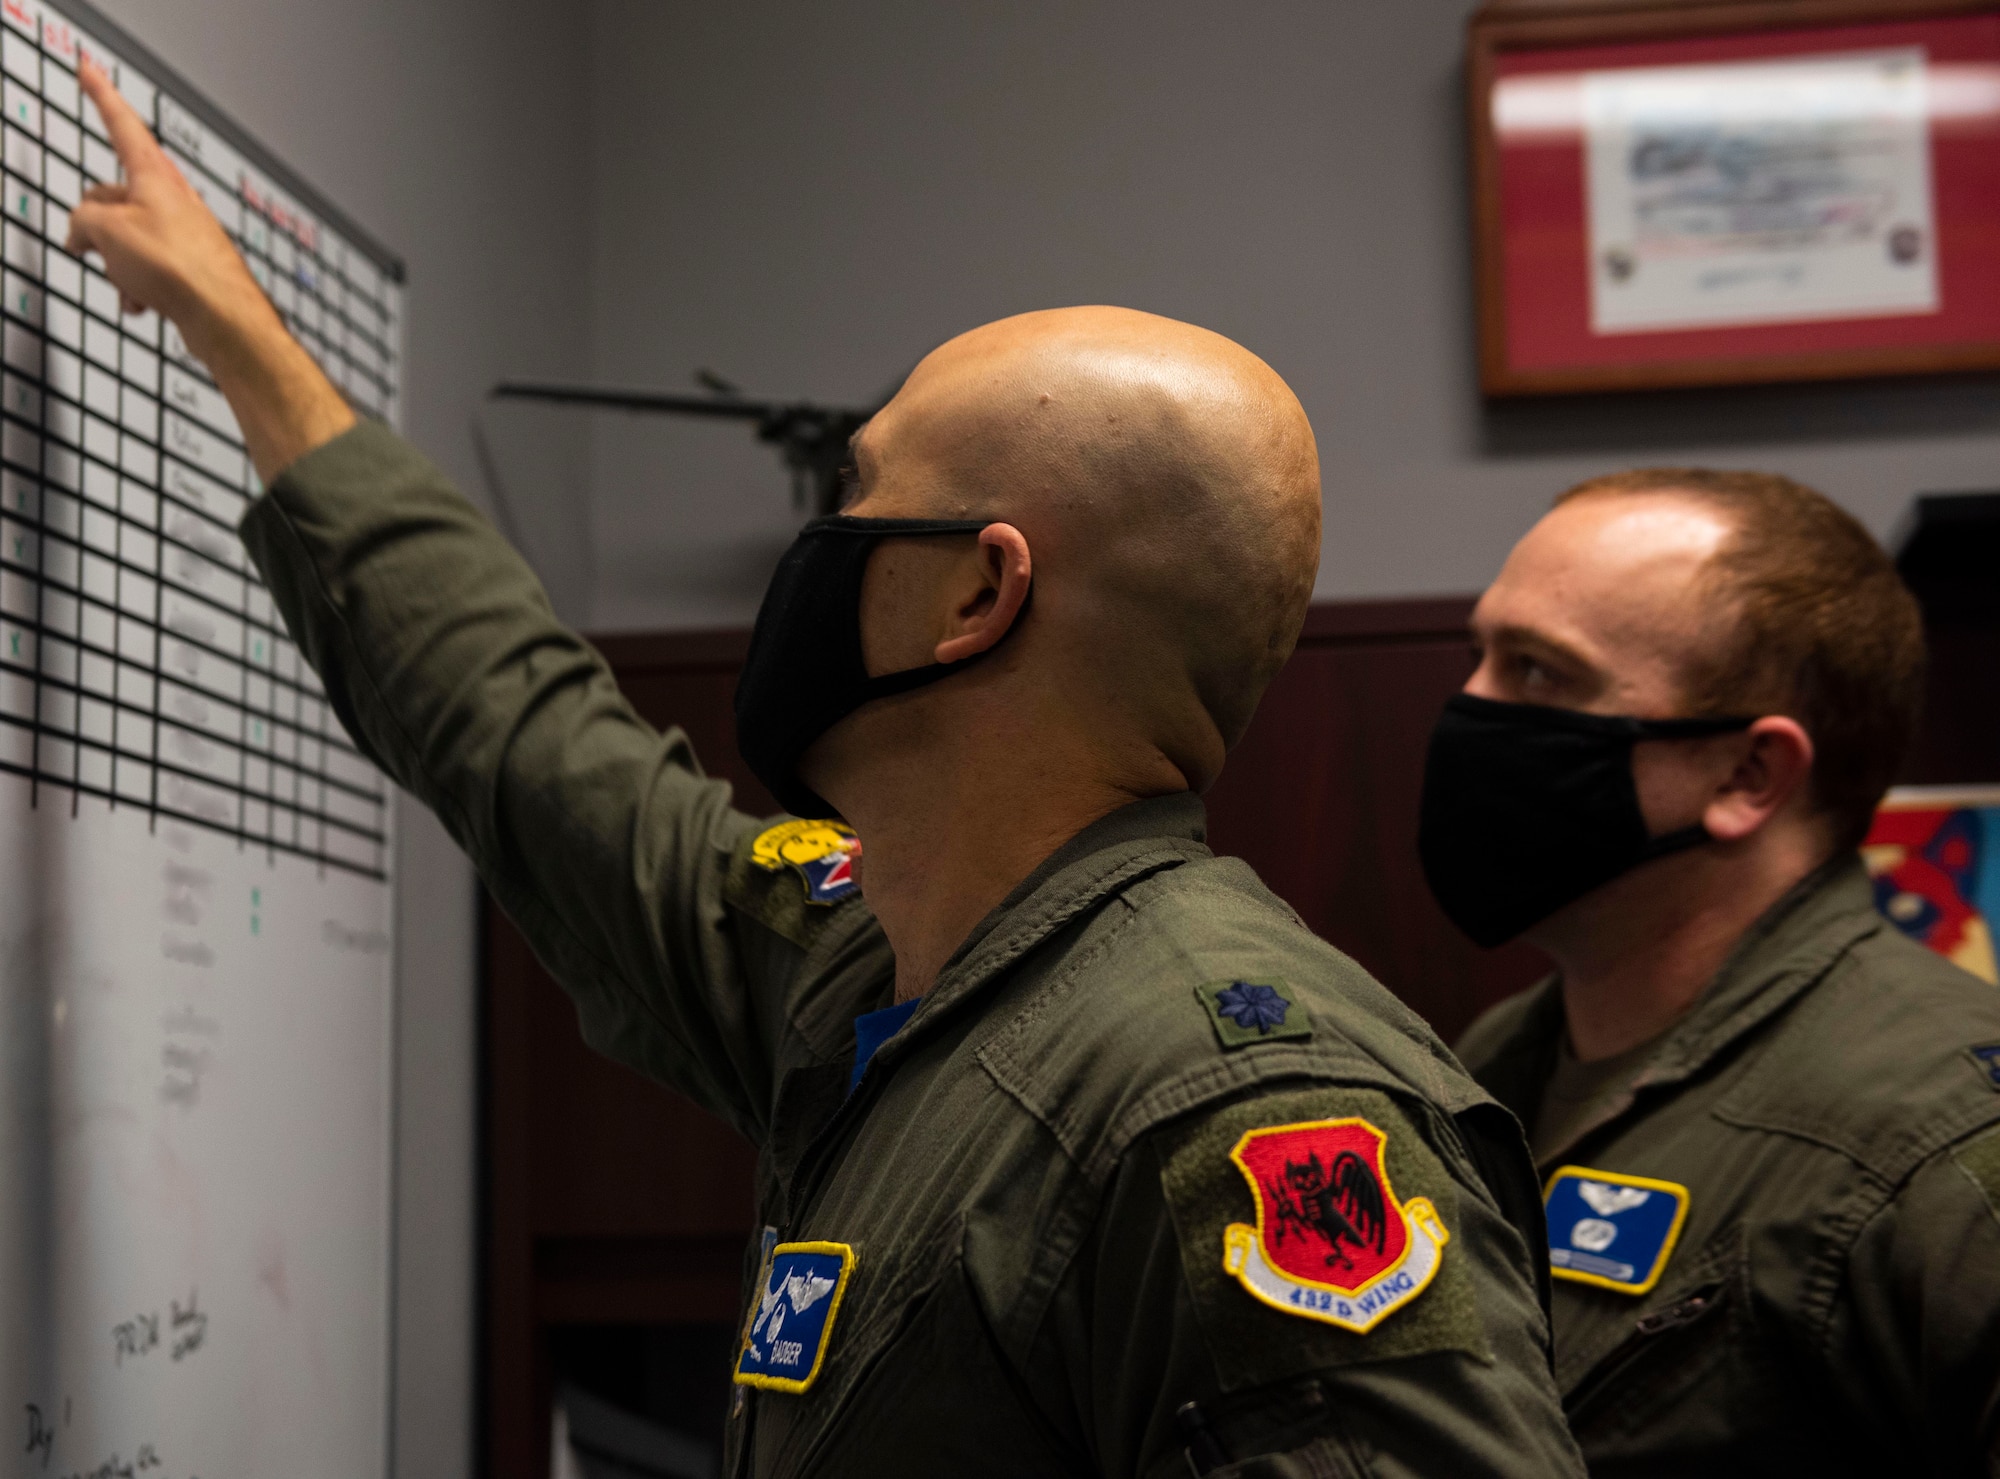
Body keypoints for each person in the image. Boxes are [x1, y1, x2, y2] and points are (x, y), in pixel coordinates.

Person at [66, 63, 1585, 1479]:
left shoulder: (1235, 1110)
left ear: (979, 595)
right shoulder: (880, 961)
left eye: (863, 493)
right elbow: (536, 750)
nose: (817, 539)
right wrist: (245, 344)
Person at [1422, 468, 2000, 1476]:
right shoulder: (1496, 1058)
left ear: (1746, 777)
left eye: (1537, 674)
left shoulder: (1942, 1141)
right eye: (1479, 656)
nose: (1468, 711)